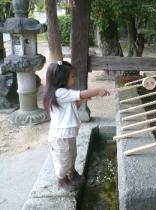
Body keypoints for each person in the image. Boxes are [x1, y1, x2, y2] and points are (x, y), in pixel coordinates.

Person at [43, 60, 110, 191]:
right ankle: (62, 179)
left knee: (72, 155)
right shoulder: (59, 93)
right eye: (72, 76)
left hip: (69, 134)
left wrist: (82, 100)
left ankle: (72, 173)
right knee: (63, 159)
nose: (75, 79)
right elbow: (80, 94)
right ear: (61, 79)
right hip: (60, 137)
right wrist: (97, 91)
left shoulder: (64, 94)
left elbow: (74, 106)